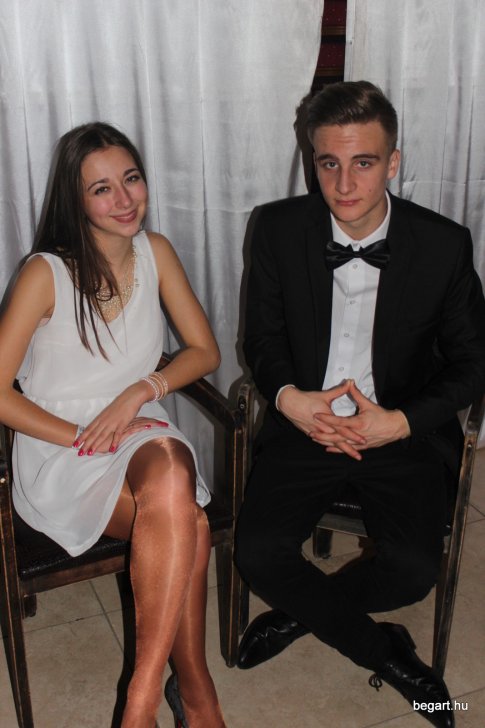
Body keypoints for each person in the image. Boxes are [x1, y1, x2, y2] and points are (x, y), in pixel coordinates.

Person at [235, 81, 485, 728]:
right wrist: (289, 400)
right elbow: (261, 339)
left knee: (412, 571)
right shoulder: (278, 228)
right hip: (305, 424)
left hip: (397, 427)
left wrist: (398, 422)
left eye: (364, 162)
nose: (344, 184)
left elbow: (474, 363)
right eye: (328, 163)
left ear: (393, 162)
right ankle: (387, 653)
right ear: (311, 161)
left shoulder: (443, 245)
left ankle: (300, 615)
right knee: (256, 554)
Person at [0, 122, 227, 728]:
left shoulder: (157, 252)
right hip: (60, 443)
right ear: (75, 201)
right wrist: (81, 437)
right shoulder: (44, 273)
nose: (124, 199)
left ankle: (139, 700)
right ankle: (194, 692)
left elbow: (204, 351)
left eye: (131, 179)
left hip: (137, 425)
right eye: (102, 189)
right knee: (189, 524)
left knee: (171, 465)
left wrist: (140, 392)